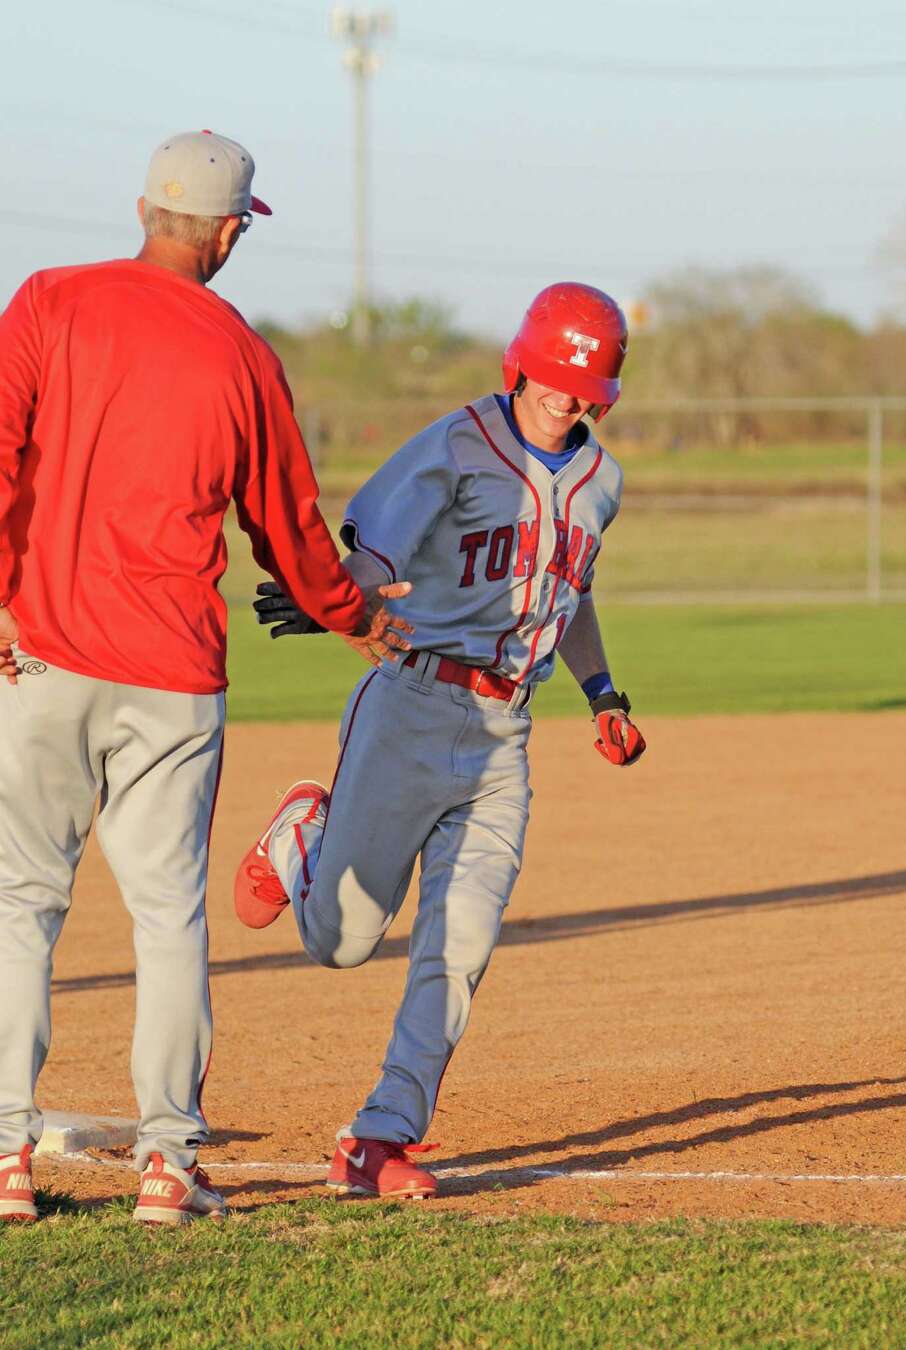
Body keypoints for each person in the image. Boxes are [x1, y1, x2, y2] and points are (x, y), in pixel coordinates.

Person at [0, 130, 408, 1226]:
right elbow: (289, 525)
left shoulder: (46, 301)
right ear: (228, 234)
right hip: (170, 674)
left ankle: (4, 1160)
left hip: (40, 655)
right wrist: (354, 613)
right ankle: (168, 1165)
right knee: (168, 916)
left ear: (146, 210)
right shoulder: (241, 355)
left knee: (21, 904)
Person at [236, 282, 647, 1201]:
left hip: (506, 734)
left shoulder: (601, 483)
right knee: (341, 943)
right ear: (520, 365)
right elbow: (376, 550)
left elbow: (570, 594)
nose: (568, 398)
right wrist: (334, 601)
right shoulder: (458, 443)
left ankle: (379, 1138)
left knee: (461, 944)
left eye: (586, 389)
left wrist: (602, 693)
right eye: (555, 378)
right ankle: (301, 835)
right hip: (412, 705)